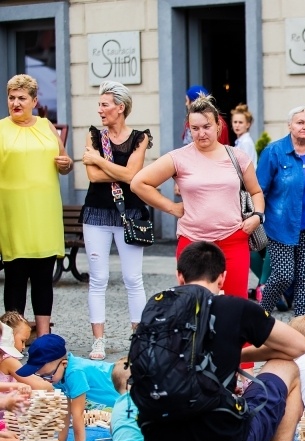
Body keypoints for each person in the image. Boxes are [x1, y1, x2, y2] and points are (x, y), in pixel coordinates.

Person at [138, 241, 305, 441]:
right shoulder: (234, 307)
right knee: (287, 368)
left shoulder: (155, 308)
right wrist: (238, 351)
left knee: (178, 398)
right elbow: (299, 346)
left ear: (179, 276)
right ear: (222, 278)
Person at [131, 95, 264, 300]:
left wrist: (257, 216)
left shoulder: (237, 156)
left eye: (206, 126)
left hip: (233, 240)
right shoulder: (179, 157)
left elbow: (256, 192)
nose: (201, 133)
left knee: (234, 306)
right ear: (189, 128)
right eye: (195, 128)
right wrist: (171, 208)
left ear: (218, 125)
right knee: (194, 306)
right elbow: (139, 183)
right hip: (193, 243)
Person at [80, 81, 151, 360]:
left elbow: (133, 176)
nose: (100, 110)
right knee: (98, 279)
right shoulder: (94, 136)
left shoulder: (140, 137)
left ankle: (137, 338)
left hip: (129, 214)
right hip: (96, 213)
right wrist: (118, 170)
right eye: (99, 104)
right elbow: (94, 177)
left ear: (120, 108)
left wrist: (99, 159)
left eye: (105, 104)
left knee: (133, 279)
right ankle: (99, 340)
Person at [0, 74, 73, 337]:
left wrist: (66, 164)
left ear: (34, 100)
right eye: (11, 97)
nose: (16, 103)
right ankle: (12, 339)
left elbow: (64, 161)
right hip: (13, 212)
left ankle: (43, 339)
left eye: (22, 98)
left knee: (44, 277)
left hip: (44, 211)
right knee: (15, 277)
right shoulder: (1, 129)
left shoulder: (45, 126)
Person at [256, 105, 305, 316]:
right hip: (280, 225)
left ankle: (303, 328)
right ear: (290, 125)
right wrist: (256, 217)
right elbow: (258, 189)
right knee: (283, 274)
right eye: (300, 122)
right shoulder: (273, 152)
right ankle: (260, 315)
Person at [15, 333, 119, 441]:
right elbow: (65, 412)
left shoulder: (75, 372)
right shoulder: (57, 375)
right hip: (121, 398)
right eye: (41, 376)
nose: (46, 380)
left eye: (47, 375)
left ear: (63, 363)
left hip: (132, 388)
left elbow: (78, 414)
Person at [0, 315, 52, 391]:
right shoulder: (8, 360)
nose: (24, 347)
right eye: (22, 341)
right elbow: (37, 386)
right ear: (11, 337)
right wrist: (51, 384)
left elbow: (31, 376)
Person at [231, 103, 258, 170]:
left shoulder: (246, 142)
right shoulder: (240, 141)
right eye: (235, 122)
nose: (237, 125)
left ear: (248, 125)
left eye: (240, 122)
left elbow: (245, 166)